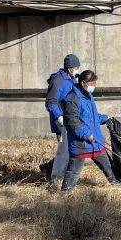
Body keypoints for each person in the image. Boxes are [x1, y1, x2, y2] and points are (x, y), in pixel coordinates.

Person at [61, 69, 121, 191]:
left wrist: (105, 118)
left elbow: (92, 116)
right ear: (83, 83)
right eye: (92, 84)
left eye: (94, 84)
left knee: (108, 165)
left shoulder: (88, 95)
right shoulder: (72, 98)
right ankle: (65, 194)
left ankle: (117, 184)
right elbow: (72, 121)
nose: (93, 87)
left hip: (95, 140)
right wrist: (86, 134)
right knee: (74, 171)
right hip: (81, 142)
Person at [41, 54, 81, 183]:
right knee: (66, 151)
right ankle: (57, 177)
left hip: (71, 119)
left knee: (68, 149)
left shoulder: (72, 79)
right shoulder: (58, 80)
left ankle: (49, 168)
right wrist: (59, 116)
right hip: (62, 121)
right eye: (76, 68)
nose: (77, 70)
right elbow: (50, 102)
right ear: (69, 68)